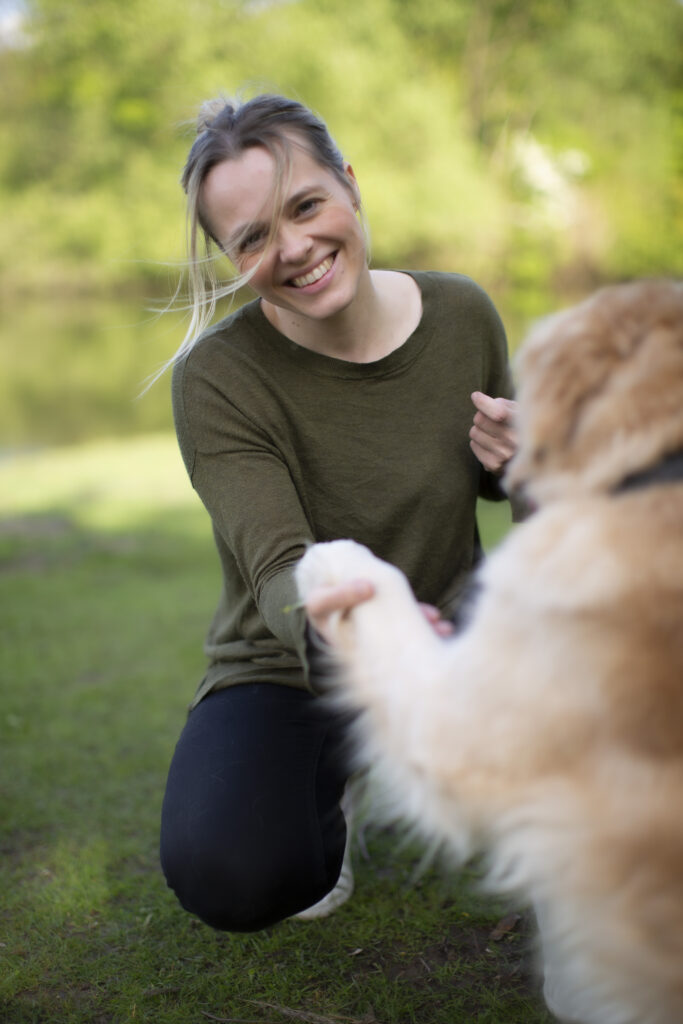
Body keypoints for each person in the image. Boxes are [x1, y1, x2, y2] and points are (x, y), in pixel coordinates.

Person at [159, 92, 518, 932]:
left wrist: (531, 452)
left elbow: (514, 491)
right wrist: (360, 626)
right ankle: (338, 779)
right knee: (232, 876)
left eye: (306, 205)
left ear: (350, 187)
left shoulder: (462, 313)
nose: (294, 248)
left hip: (457, 638)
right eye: (251, 238)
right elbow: (280, 570)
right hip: (295, 661)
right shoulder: (216, 380)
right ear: (228, 259)